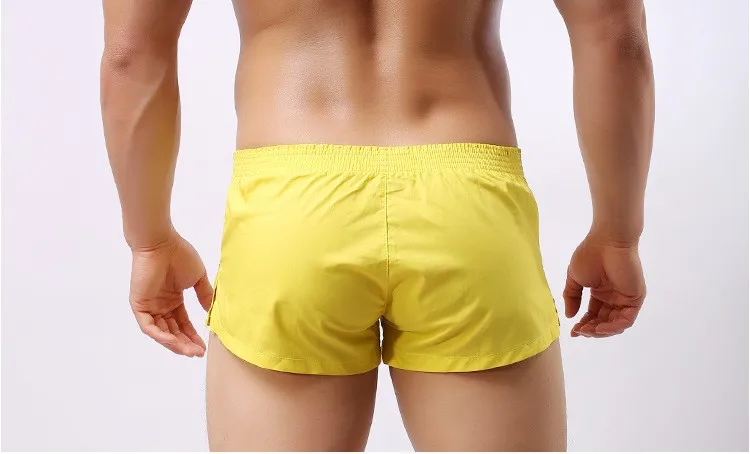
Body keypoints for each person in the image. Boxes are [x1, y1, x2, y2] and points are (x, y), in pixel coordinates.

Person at [101, 0, 653, 450]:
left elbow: (131, 56)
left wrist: (150, 240)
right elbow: (616, 39)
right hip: (466, 200)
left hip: (291, 211)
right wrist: (617, 234)